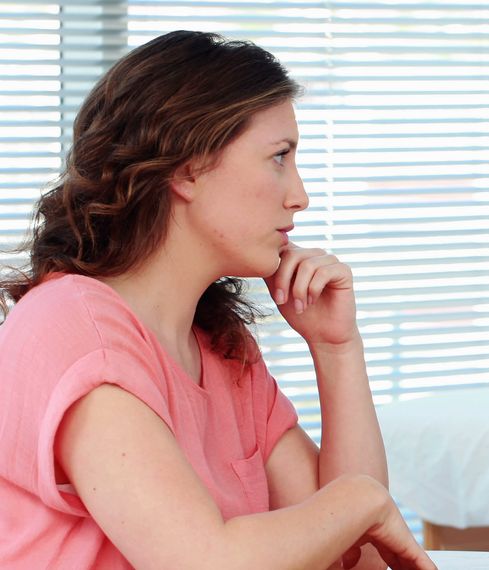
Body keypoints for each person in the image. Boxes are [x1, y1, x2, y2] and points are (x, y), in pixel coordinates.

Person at [0, 31, 434, 570]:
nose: (299, 195)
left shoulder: (223, 354)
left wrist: (336, 349)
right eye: (278, 157)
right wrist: (363, 501)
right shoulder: (69, 329)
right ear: (187, 168)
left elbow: (355, 555)